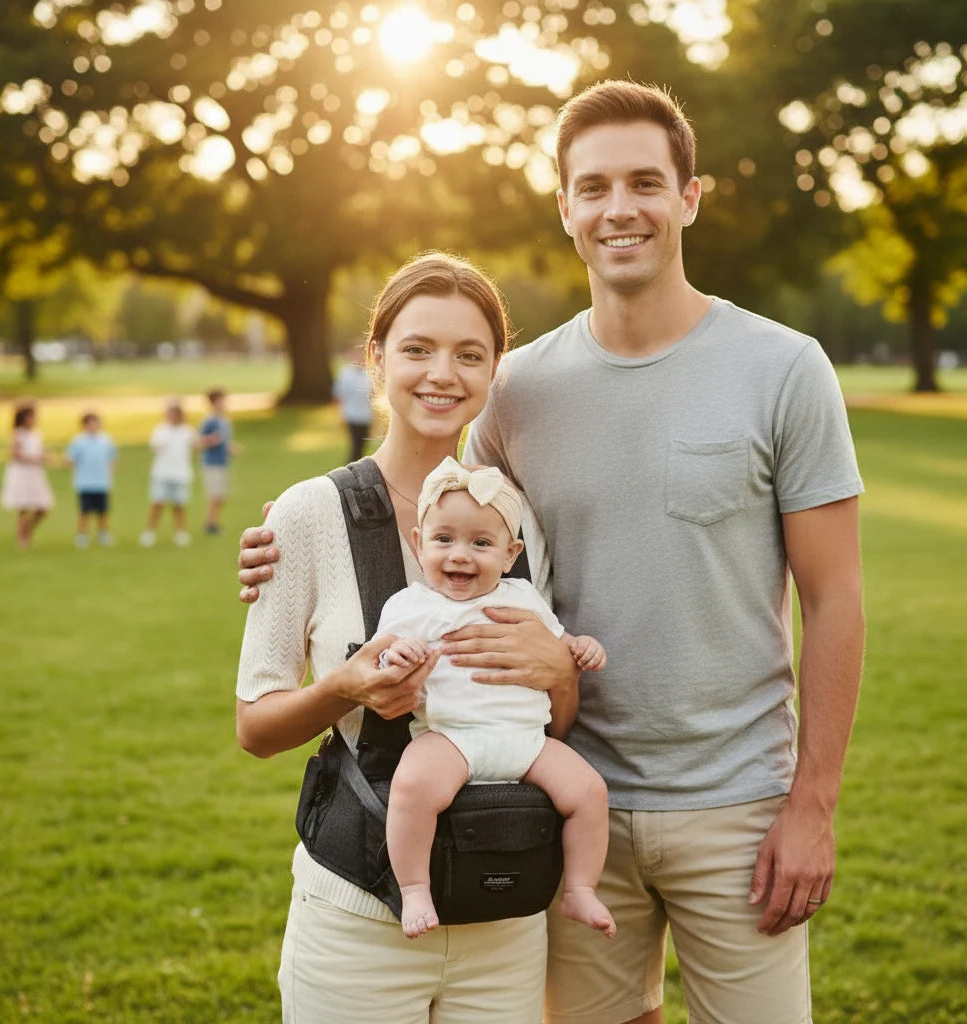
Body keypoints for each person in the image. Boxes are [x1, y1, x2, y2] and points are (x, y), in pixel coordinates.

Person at [238, 80, 865, 1024]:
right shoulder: (518, 394)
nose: (622, 208)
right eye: (596, 186)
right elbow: (440, 523)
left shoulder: (784, 367)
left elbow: (838, 597)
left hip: (737, 806)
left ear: (689, 197)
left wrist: (812, 805)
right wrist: (283, 538)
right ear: (565, 206)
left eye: (646, 182)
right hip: (561, 802)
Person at [235, 253, 580, 1023]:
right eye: (417, 348)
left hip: (505, 912)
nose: (441, 374)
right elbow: (255, 728)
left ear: (495, 372)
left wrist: (561, 671)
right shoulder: (305, 515)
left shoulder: (515, 523)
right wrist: (341, 689)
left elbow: (552, 723)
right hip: (357, 917)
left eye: (469, 355)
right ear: (377, 357)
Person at [378, 456, 614, 940]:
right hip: (450, 738)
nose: (460, 555)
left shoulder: (523, 596)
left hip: (526, 739)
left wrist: (581, 647)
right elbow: (380, 661)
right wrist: (397, 656)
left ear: (510, 554)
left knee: (589, 792)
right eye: (443, 540)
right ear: (419, 544)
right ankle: (416, 887)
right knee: (411, 789)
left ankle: (580, 889)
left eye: (481, 543)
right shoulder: (410, 607)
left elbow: (559, 645)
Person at [139, 399, 196, 547]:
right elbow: (155, 446)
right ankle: (149, 532)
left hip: (181, 473)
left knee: (179, 505)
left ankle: (180, 532)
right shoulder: (160, 430)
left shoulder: (187, 431)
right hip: (162, 473)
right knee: (157, 503)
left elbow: (194, 449)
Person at [0, 402, 54, 549]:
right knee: (23, 508)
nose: (34, 419)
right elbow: (14, 455)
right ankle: (22, 539)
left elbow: (38, 451)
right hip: (22, 474)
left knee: (43, 507)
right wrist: (37, 458)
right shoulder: (18, 434)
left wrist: (44, 456)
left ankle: (26, 532)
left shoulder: (36, 434)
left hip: (35, 474)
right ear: (23, 418)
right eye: (31, 417)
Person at [64, 411, 117, 548]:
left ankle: (103, 533)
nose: (93, 426)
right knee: (84, 511)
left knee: (102, 511)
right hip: (85, 482)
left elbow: (111, 459)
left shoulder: (106, 440)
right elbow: (70, 459)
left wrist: (109, 474)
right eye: (90, 423)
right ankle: (82, 534)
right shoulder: (79, 441)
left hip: (102, 482)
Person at [198, 388, 237, 535]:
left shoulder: (225, 422)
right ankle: (210, 524)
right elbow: (199, 441)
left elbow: (225, 442)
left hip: (223, 462)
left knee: (222, 495)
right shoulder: (209, 422)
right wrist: (210, 440)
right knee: (214, 494)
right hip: (212, 463)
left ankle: (214, 522)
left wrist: (231, 448)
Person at [332, 342, 374, 462]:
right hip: (351, 415)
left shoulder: (369, 374)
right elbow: (339, 395)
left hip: (365, 416)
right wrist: (341, 415)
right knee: (355, 445)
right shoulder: (345, 373)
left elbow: (372, 396)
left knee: (361, 445)